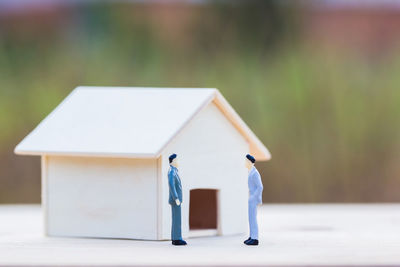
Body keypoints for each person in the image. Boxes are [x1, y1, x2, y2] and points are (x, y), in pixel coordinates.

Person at [244, 154, 263, 246]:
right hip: (251, 198)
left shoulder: (255, 173)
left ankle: (255, 238)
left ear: (249, 162)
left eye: (246, 161)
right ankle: (252, 236)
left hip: (253, 199)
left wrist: (254, 197)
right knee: (250, 218)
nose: (244, 163)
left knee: (253, 218)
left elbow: (260, 187)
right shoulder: (250, 172)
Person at [168, 153, 187, 246]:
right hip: (176, 200)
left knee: (176, 219)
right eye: (177, 160)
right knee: (177, 219)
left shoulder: (174, 171)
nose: (178, 162)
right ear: (173, 161)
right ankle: (177, 238)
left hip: (177, 200)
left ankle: (175, 237)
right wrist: (176, 198)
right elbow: (171, 186)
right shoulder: (172, 172)